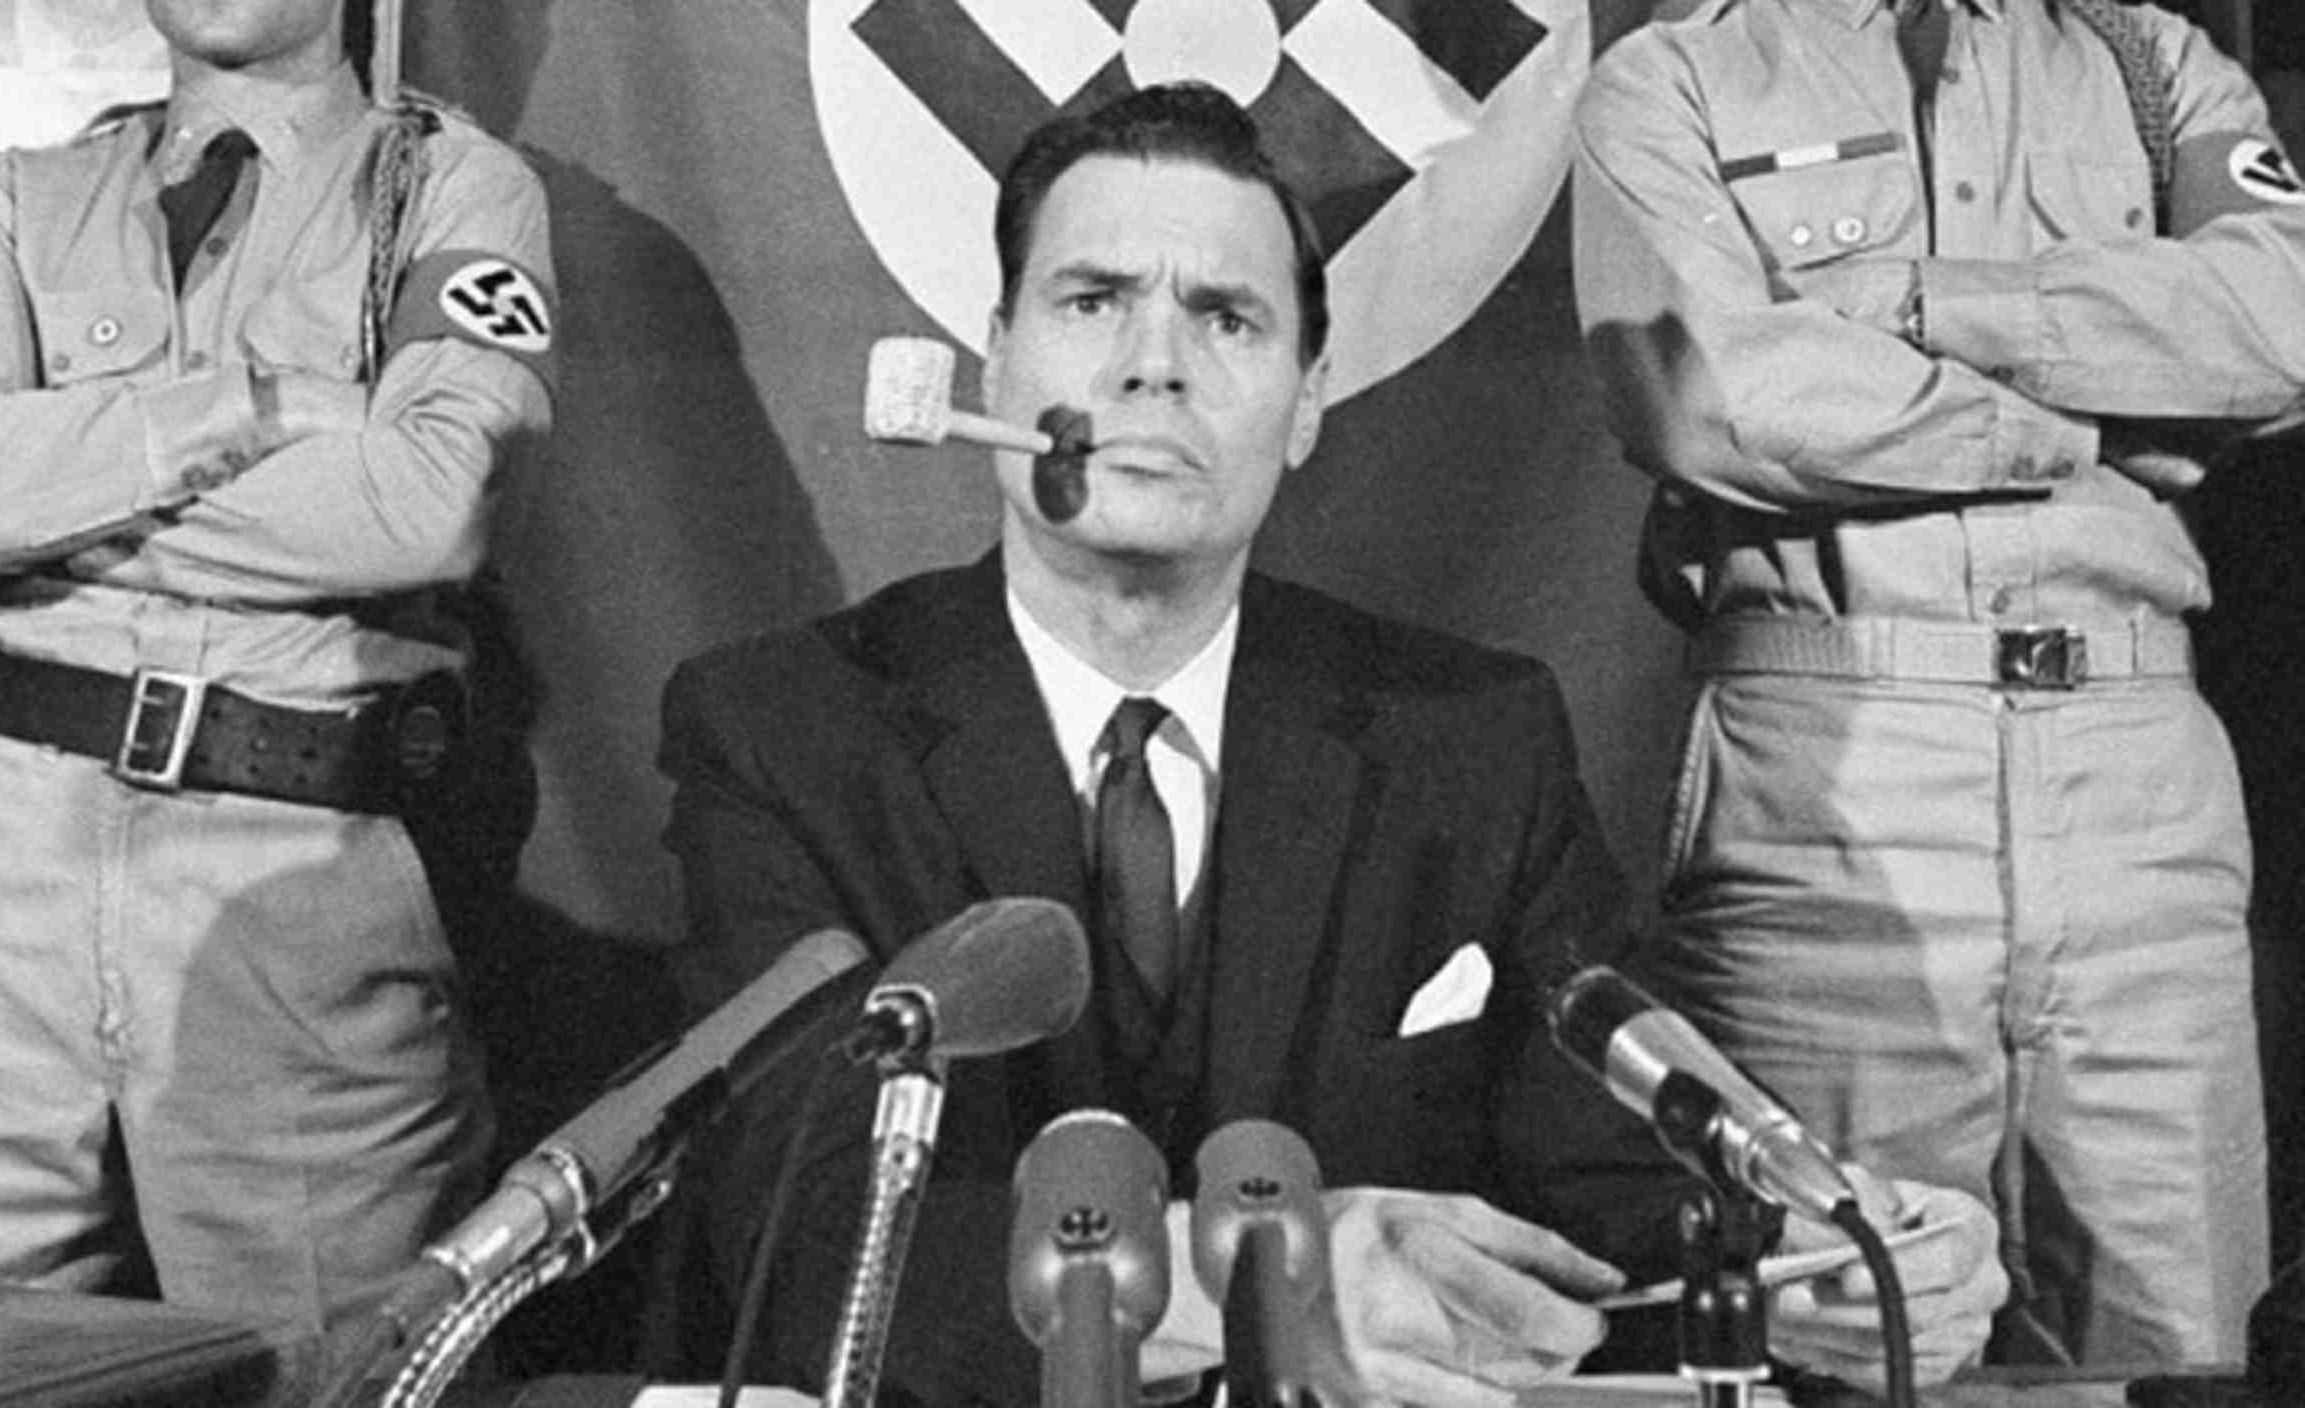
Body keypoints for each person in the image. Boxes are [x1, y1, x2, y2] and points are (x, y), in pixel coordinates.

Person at [661, 81, 2001, 1404]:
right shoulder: (786, 730)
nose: (1155, 363)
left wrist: (1797, 1273)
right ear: (996, 355)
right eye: (1090, 302)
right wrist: (1255, 1295)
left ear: (1306, 405)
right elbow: (803, 1233)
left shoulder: (1471, 741)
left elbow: (1609, 1190)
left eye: (1226, 317)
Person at [1572, 0, 2305, 1367]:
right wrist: (2081, 423)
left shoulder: (2156, 69)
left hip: (2140, 789)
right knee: (1843, 1321)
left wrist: (1919, 305)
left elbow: (2282, 319)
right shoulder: (1673, 79)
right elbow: (1704, 390)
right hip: (1831, 780)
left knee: (2183, 1349)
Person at [0, 0, 555, 1331]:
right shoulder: (20, 205)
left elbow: (423, 502)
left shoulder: (446, 189)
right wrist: (242, 413)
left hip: (289, 878)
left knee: (326, 1360)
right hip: (4, 873)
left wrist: (44, 512)